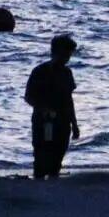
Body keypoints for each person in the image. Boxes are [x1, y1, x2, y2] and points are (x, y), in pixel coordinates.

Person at [25, 33, 80, 180]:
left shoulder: (67, 73)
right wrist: (44, 109)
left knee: (57, 158)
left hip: (63, 121)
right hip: (43, 121)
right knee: (41, 157)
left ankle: (52, 182)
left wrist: (74, 124)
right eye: (65, 54)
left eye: (69, 55)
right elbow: (29, 96)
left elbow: (69, 99)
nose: (67, 58)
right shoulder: (40, 71)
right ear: (55, 52)